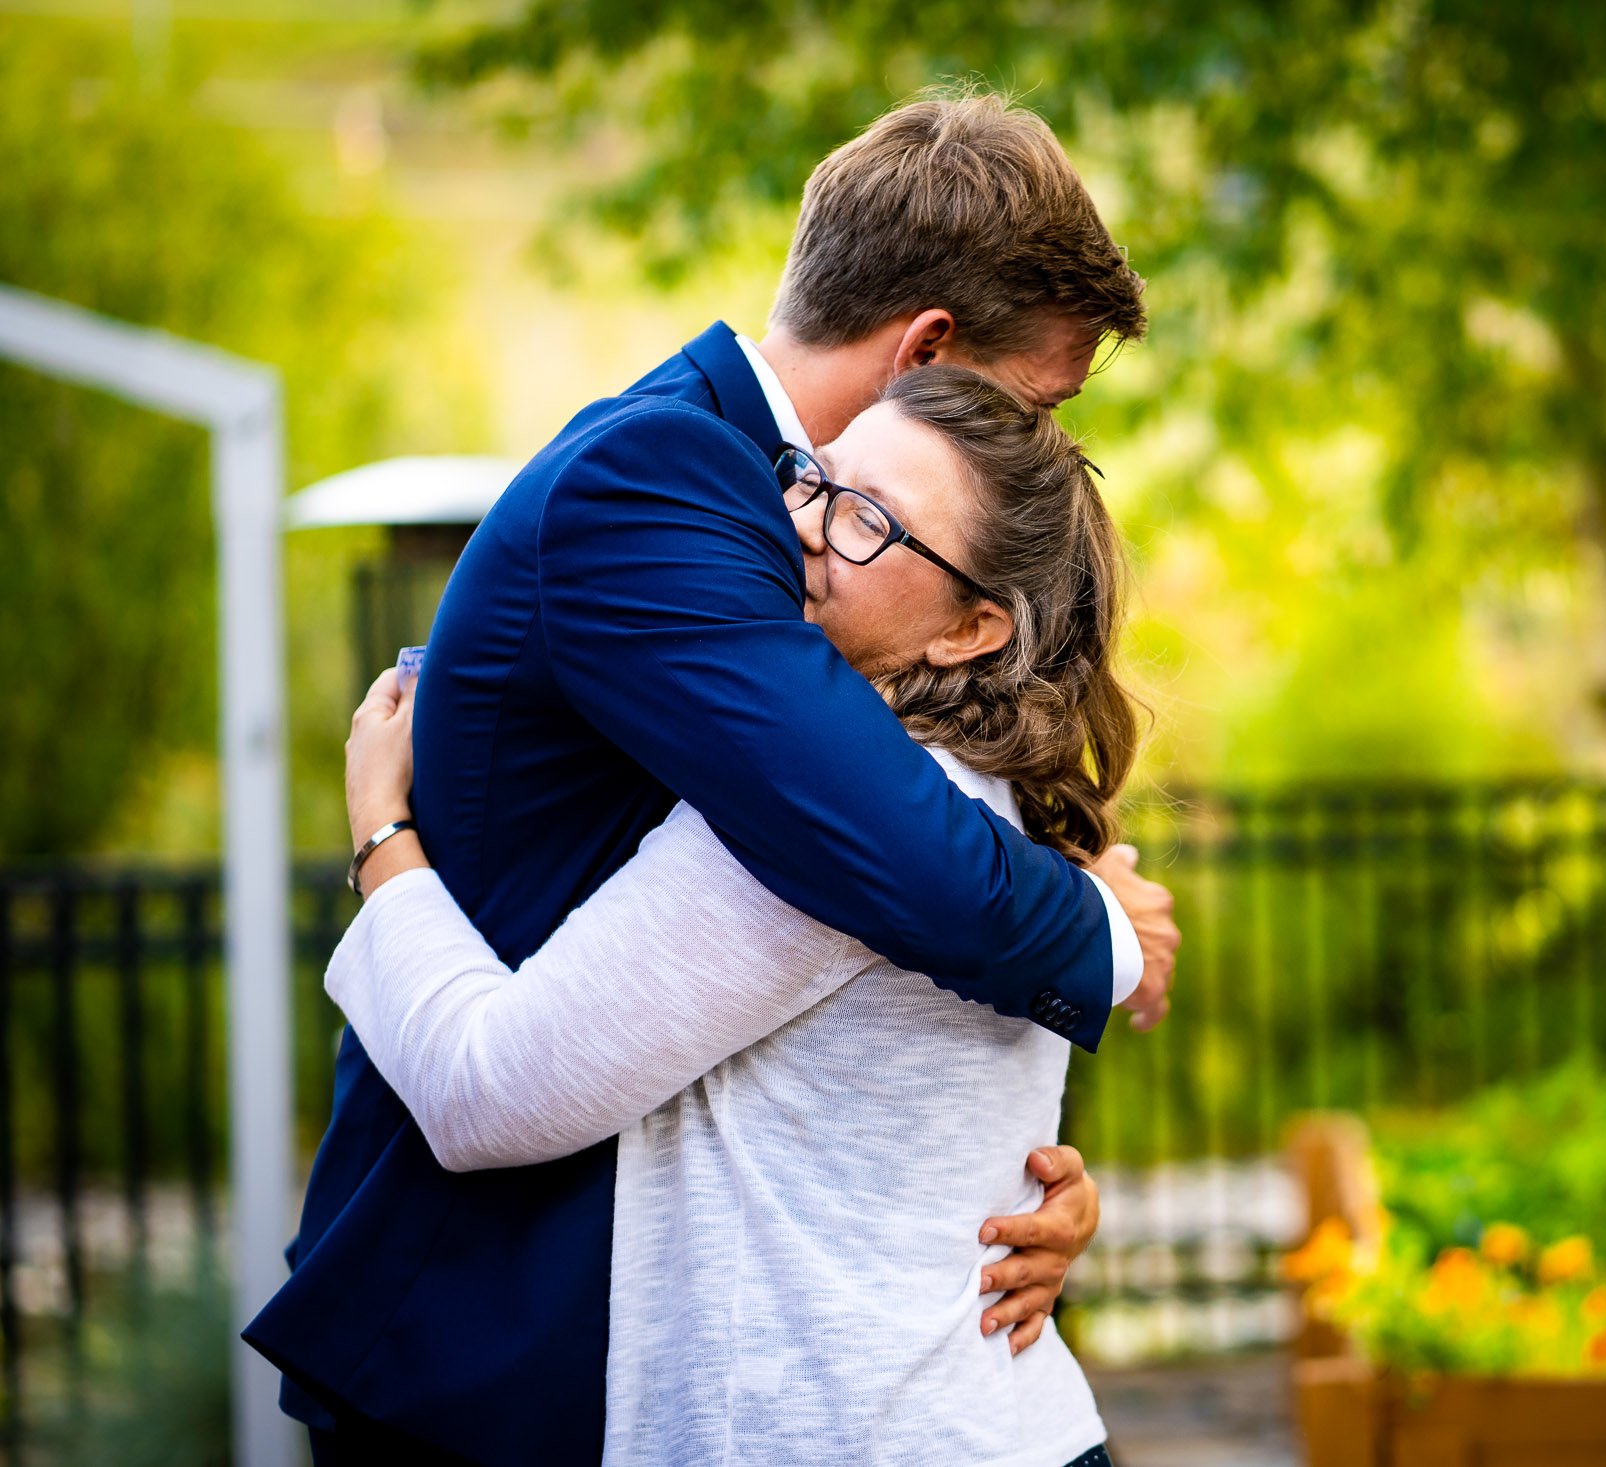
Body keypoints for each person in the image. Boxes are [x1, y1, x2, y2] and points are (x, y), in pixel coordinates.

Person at [245, 95, 1178, 1465]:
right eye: (1036, 400)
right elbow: (891, 849)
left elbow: (862, 910)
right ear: (928, 352)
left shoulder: (782, 529)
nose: (1039, 448)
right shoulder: (670, 484)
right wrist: (1102, 931)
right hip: (493, 1324)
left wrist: (985, 1179)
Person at [333, 366, 1135, 1466]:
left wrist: (382, 831)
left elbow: (483, 1092)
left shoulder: (820, 827)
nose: (802, 530)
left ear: (970, 629)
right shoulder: (975, 788)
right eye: (814, 482)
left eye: (867, 524)